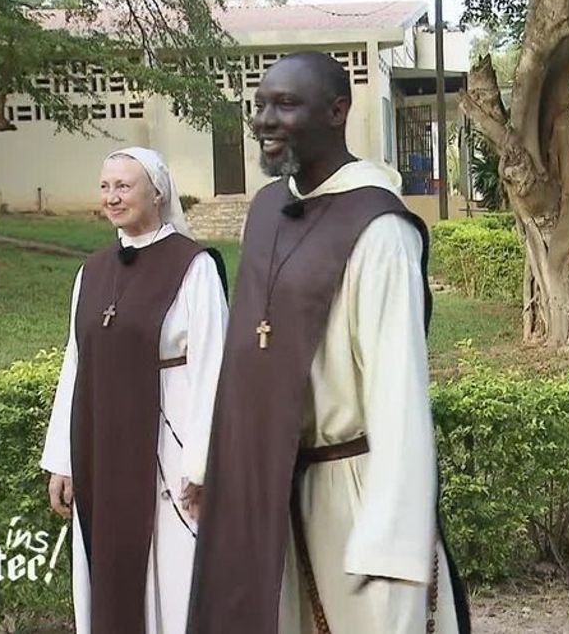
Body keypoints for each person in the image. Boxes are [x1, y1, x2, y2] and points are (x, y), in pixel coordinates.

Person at [183, 52, 470, 634]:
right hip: (267, 483)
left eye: (286, 104)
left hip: (352, 491)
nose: (265, 119)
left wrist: (390, 539)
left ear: (338, 111)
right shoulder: (266, 210)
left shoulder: (379, 229)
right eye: (259, 104)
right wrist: (213, 463)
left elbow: (398, 391)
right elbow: (247, 347)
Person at [40, 147, 229, 634]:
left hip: (170, 448)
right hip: (104, 450)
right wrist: (62, 459)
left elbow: (215, 364)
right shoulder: (92, 271)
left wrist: (203, 463)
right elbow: (75, 362)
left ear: (158, 192)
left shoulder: (194, 266)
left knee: (174, 571)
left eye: (124, 186)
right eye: (105, 187)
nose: (112, 197)